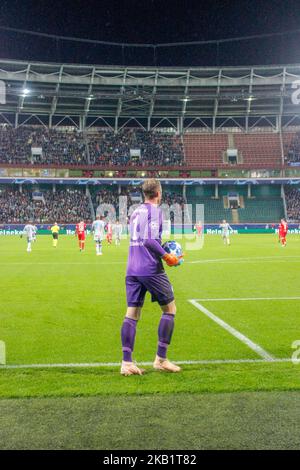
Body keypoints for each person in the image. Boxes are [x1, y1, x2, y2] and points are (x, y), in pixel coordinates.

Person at [120, 178, 183, 376]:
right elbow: (149, 240)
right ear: (158, 193)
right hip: (150, 268)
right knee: (170, 309)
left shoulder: (136, 212)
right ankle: (161, 359)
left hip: (132, 268)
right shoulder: (155, 211)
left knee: (132, 313)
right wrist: (167, 256)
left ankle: (127, 363)